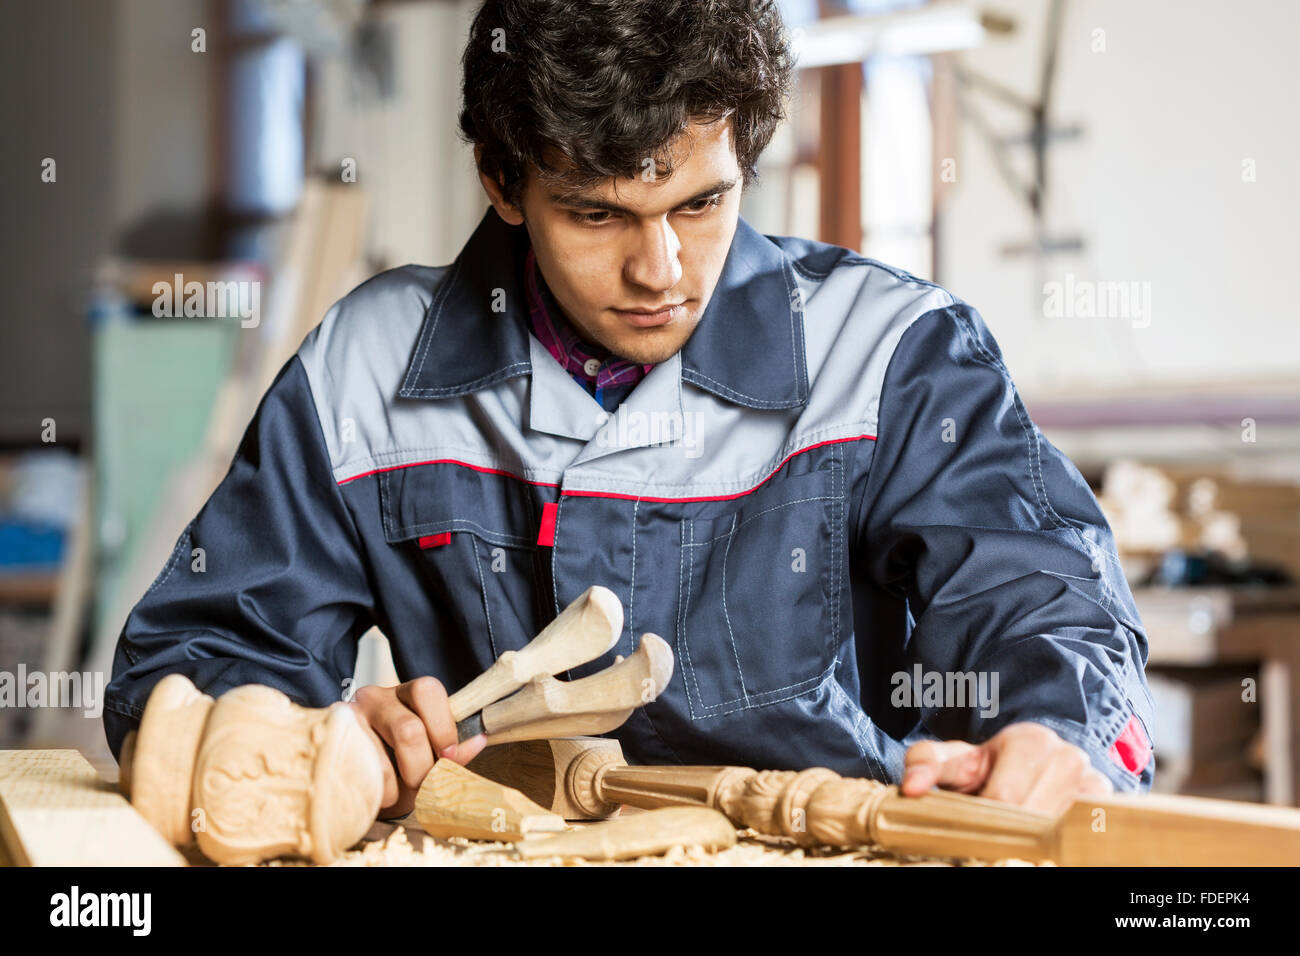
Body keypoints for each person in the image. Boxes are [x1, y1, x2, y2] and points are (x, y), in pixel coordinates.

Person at [104, 0, 1154, 820]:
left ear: (745, 155)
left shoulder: (890, 355)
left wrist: (1055, 732)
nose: (661, 272)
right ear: (502, 180)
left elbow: (1044, 599)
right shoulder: (364, 371)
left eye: (700, 203)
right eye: (596, 212)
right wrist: (316, 731)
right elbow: (191, 671)